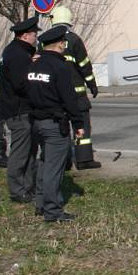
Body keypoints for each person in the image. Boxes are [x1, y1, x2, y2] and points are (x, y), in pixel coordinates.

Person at [28, 25, 85, 222]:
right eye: (63, 42)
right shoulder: (60, 67)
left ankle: (41, 203)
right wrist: (78, 123)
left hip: (36, 122)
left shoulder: (34, 64)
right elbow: (69, 99)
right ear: (60, 44)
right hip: (54, 124)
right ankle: (53, 211)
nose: (64, 45)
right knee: (54, 168)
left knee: (44, 163)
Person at [48, 6, 100, 170]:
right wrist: (92, 84)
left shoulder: (45, 40)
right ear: (70, 20)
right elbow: (84, 65)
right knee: (82, 125)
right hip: (77, 94)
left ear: (53, 19)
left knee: (60, 128)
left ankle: (63, 162)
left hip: (55, 94)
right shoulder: (75, 40)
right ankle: (84, 160)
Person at [0, 17, 41, 202]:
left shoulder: (20, 51)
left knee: (30, 151)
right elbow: (21, 84)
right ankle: (17, 190)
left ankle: (28, 187)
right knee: (21, 152)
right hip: (18, 111)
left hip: (23, 110)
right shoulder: (17, 54)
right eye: (34, 34)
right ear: (25, 36)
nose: (36, 38)